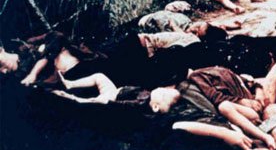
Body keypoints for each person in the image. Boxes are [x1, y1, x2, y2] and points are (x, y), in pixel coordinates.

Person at [0, 31, 103, 87]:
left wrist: (33, 74)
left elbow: (54, 37)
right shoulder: (17, 79)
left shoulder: (23, 47)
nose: (3, 71)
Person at [52, 71, 181, 113]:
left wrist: (109, 102)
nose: (162, 89)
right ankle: (70, 84)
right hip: (114, 91)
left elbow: (124, 105)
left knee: (98, 101)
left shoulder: (141, 103)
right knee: (99, 76)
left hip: (112, 97)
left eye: (163, 93)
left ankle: (76, 99)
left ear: (156, 106)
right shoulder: (149, 96)